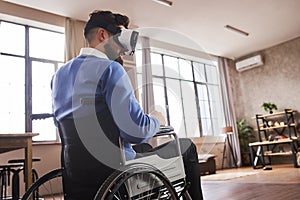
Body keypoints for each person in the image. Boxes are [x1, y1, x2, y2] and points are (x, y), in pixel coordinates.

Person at [51, 10, 203, 199]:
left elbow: (63, 124)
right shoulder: (111, 69)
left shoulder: (59, 76)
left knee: (145, 149)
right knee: (187, 147)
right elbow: (136, 131)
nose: (124, 48)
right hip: (115, 170)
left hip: (77, 173)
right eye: (121, 37)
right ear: (102, 35)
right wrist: (156, 119)